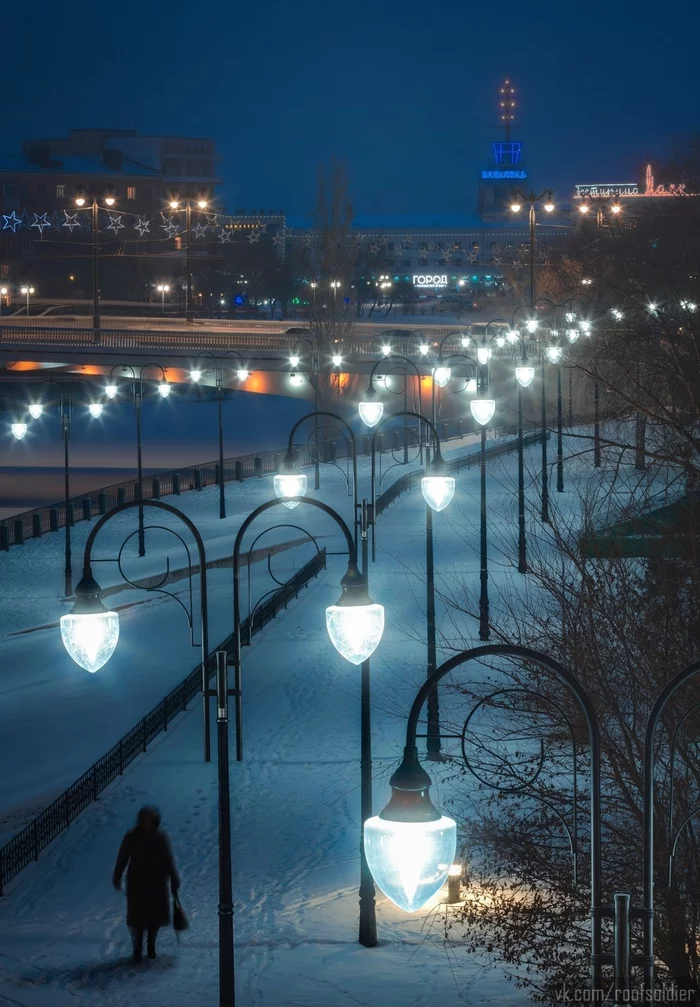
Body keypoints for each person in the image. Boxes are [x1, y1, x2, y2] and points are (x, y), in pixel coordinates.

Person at [112, 805, 180, 962]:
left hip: (157, 882)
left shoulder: (160, 837)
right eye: (143, 819)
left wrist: (174, 877)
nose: (145, 822)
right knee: (137, 918)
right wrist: (117, 875)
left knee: (154, 917)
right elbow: (123, 857)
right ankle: (137, 948)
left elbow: (168, 859)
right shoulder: (132, 836)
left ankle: (151, 946)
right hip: (138, 883)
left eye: (148, 819)